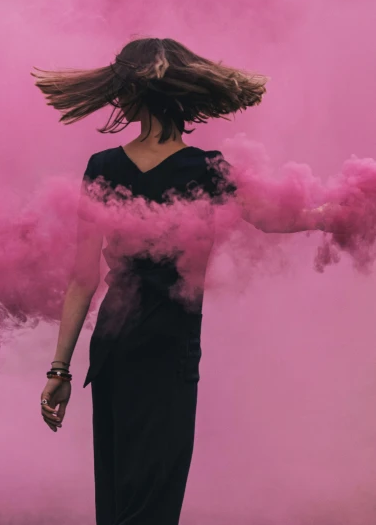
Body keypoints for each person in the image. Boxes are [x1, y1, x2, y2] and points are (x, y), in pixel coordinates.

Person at [32, 37, 333, 525]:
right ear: (183, 94)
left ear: (129, 94)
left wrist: (59, 370)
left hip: (113, 346)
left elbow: (82, 278)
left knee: (118, 490)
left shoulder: (103, 166)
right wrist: (335, 214)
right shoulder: (205, 167)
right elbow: (276, 218)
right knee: (153, 496)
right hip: (167, 349)